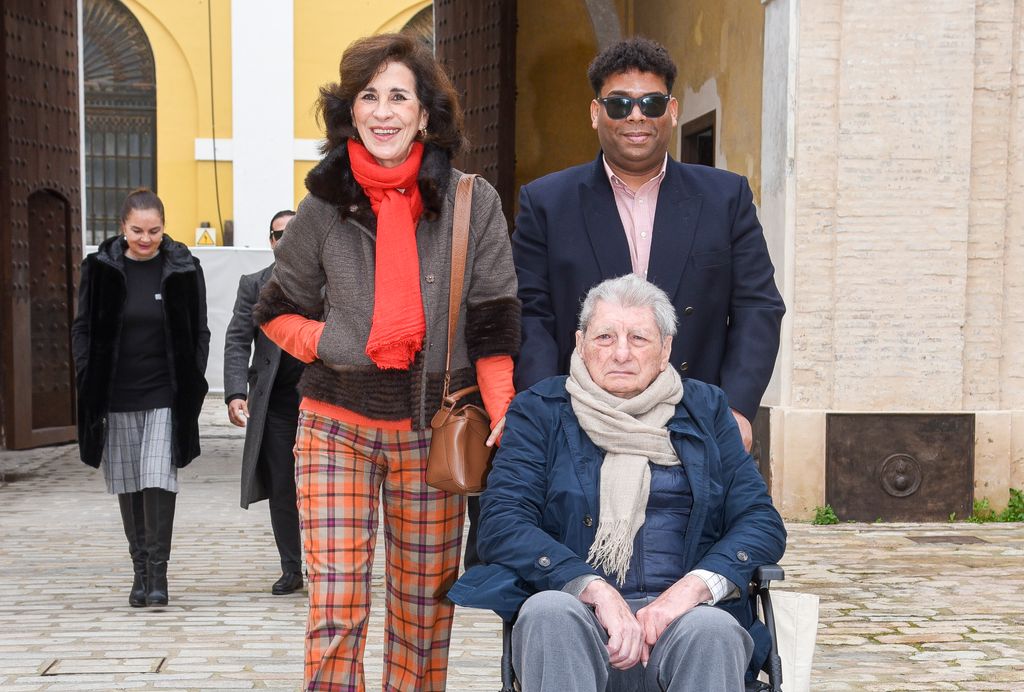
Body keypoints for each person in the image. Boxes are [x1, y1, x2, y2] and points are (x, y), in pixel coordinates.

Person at [252, 33, 520, 691]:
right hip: (334, 424)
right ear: (351, 111)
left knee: (424, 613)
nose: (383, 111)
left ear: (426, 113)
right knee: (337, 603)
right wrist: (334, 343)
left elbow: (493, 319)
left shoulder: (470, 201)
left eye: (398, 95)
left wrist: (504, 411)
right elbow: (275, 308)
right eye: (368, 96)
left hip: (434, 430)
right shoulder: (321, 205)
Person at [450, 274, 786, 692]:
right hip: (581, 620)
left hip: (683, 624)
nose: (621, 353)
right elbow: (501, 521)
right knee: (549, 613)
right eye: (605, 337)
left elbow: (760, 520)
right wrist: (593, 589)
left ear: (665, 350)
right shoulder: (540, 411)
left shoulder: (707, 409)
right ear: (581, 343)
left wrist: (689, 591)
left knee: (713, 629)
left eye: (639, 339)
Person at [512, 36, 785, 452]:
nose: (636, 116)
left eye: (651, 103)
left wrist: (737, 409)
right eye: (619, 104)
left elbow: (757, 306)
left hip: (695, 418)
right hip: (583, 419)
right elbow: (531, 316)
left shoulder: (725, 198)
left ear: (672, 112)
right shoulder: (547, 203)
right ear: (595, 112)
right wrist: (543, 410)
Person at [72, 188, 210, 608]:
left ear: (164, 228)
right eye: (137, 230)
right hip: (116, 393)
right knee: (129, 482)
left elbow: (200, 329)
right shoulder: (99, 269)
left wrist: (193, 375)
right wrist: (85, 373)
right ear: (122, 228)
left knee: (158, 478)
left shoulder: (185, 268)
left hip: (165, 393)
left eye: (154, 230)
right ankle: (139, 572)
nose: (145, 238)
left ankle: (159, 575)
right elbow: (82, 327)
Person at [223, 209, 304, 596]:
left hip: (321, 401)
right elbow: (238, 339)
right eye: (277, 235)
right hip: (273, 406)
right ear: (270, 241)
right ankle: (292, 568)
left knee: (324, 489)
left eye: (292, 232)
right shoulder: (254, 284)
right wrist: (236, 392)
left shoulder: (326, 281)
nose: (284, 241)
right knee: (283, 488)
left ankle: (326, 565)